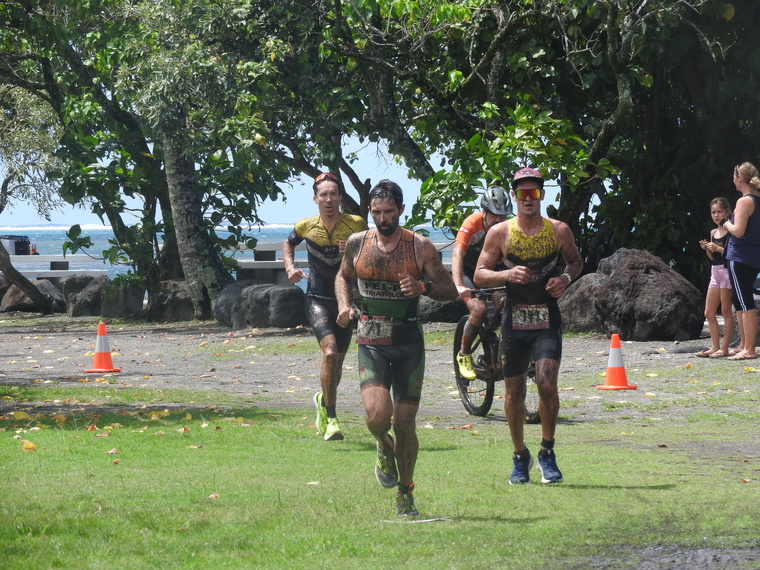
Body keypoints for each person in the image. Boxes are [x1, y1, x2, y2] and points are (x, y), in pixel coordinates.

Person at [334, 179, 457, 517]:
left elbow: (450, 289)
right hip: (371, 340)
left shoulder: (419, 247)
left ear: (401, 210)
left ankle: (406, 492)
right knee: (377, 417)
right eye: (376, 212)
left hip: (407, 343)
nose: (383, 218)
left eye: (389, 212)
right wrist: (344, 306)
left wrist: (422, 285)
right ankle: (383, 444)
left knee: (405, 424)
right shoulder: (358, 243)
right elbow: (342, 277)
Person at [474, 167, 583, 485]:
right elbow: (481, 273)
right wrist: (506, 275)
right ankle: (520, 456)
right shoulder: (500, 234)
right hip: (514, 321)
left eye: (534, 193)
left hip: (546, 319)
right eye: (522, 193)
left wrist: (564, 279)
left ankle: (547, 452)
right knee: (514, 391)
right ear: (515, 197)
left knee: (547, 384)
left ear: (542, 195)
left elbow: (576, 262)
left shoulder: (559, 231)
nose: (529, 199)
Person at [282, 172, 368, 440]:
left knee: (337, 364)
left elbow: (369, 252)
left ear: (340, 197)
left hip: (346, 302)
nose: (329, 199)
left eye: (333, 194)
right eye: (324, 195)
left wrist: (352, 249)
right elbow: (288, 243)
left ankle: (323, 400)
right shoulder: (306, 225)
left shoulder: (355, 224)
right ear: (315, 199)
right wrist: (290, 268)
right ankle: (331, 419)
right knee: (329, 354)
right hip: (317, 298)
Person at [452, 186, 513, 379]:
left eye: (503, 216)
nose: (499, 220)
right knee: (478, 310)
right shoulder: (472, 224)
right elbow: (457, 255)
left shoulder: (510, 226)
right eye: (494, 215)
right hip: (468, 272)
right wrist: (459, 286)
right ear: (484, 212)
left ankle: (503, 347)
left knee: (509, 303)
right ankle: (464, 354)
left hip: (492, 271)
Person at [723, 162, 760, 361]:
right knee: (742, 300)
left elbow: (738, 231)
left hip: (740, 257)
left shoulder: (744, 201)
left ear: (739, 178)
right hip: (754, 256)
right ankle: (745, 345)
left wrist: (726, 222)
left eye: (734, 176)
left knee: (745, 302)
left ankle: (749, 349)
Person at [697, 197, 734, 358]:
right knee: (709, 312)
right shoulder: (713, 232)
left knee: (726, 310)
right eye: (713, 212)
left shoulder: (731, 231)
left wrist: (718, 248)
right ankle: (714, 346)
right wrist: (707, 248)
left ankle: (724, 347)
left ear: (727, 212)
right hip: (715, 271)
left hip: (726, 272)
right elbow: (713, 259)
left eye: (719, 212)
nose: (716, 215)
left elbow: (730, 254)